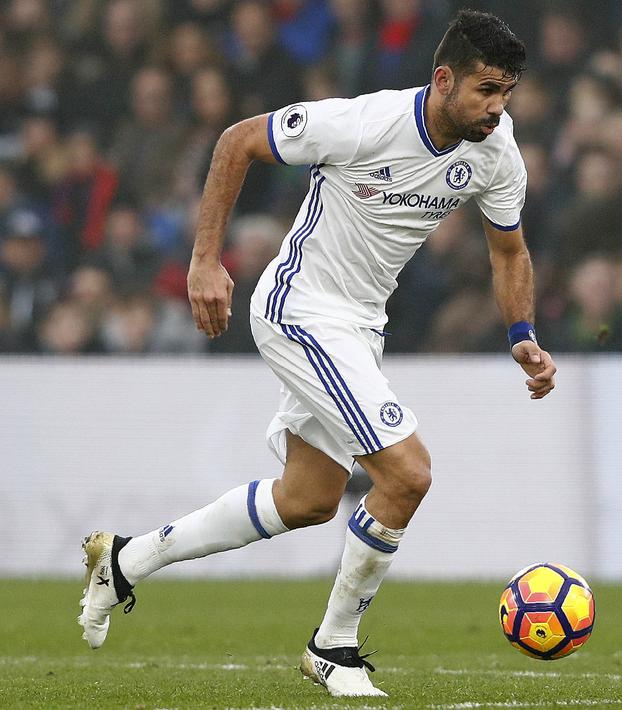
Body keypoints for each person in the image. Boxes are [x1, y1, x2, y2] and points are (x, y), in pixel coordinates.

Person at [78, 10, 556, 698]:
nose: (496, 107)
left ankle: (125, 559)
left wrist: (522, 335)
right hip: (300, 308)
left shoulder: (495, 152)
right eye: (485, 90)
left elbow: (509, 250)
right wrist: (205, 260)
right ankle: (333, 648)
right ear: (443, 78)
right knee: (409, 475)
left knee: (308, 500)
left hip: (359, 325)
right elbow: (238, 140)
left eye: (506, 92)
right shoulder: (363, 122)